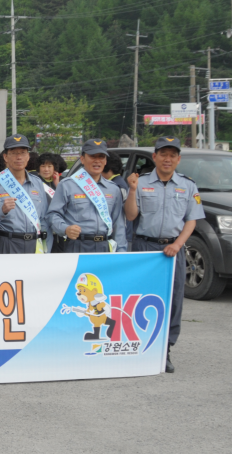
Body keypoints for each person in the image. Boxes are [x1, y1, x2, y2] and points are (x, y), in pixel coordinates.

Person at [124, 136, 204, 373]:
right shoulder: (140, 182)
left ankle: (164, 350)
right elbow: (130, 216)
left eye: (172, 155)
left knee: (173, 299)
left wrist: (178, 245)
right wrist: (132, 190)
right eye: (163, 154)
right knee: (140, 297)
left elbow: (191, 220)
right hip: (144, 248)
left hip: (172, 251)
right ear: (155, 157)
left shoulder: (188, 186)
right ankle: (138, 346)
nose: (167, 159)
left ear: (178, 159)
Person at [46, 139, 127, 254]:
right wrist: (65, 229)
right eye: (93, 156)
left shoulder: (113, 188)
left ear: (105, 161)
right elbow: (52, 215)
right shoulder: (67, 185)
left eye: (101, 157)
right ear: (82, 159)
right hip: (77, 245)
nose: (97, 161)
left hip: (105, 246)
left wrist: (121, 251)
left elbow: (119, 224)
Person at [0, 135, 52, 254]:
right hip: (6, 242)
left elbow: (44, 219)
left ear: (28, 156)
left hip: (34, 244)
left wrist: (47, 248)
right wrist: (2, 210)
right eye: (14, 153)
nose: (19, 157)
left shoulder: (37, 183)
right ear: (5, 157)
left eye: (23, 153)